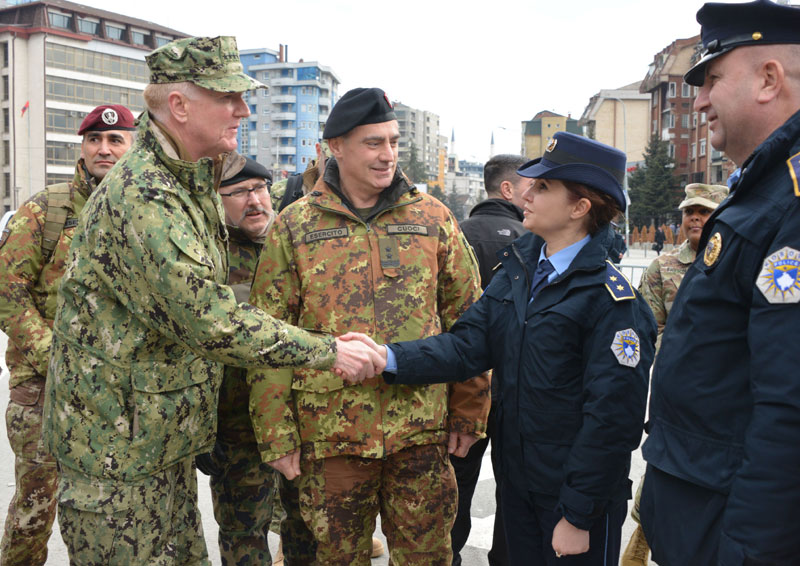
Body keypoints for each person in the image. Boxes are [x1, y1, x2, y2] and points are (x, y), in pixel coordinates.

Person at [40, 36, 381, 566]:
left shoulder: (188, 179)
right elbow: (210, 320)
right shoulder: (144, 194)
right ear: (179, 106)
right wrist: (327, 350)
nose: (243, 109)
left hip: (158, 441)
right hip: (117, 456)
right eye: (228, 98)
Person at [349, 131, 657, 565]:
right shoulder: (519, 271)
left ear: (580, 207)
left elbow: (611, 421)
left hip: (570, 501)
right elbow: (468, 346)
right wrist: (388, 357)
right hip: (517, 486)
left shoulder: (611, 302)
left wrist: (578, 515)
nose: (527, 193)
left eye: (545, 186)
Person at [247, 87, 490, 565]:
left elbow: (470, 319)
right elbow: (268, 334)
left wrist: (470, 409)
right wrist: (275, 435)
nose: (388, 155)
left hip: (421, 431)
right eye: (373, 143)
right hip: (331, 435)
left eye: (394, 142)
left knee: (427, 557)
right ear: (336, 146)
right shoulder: (295, 226)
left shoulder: (432, 219)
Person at [639, 1, 800, 564]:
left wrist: (749, 551)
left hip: (731, 529)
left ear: (769, 79)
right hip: (700, 509)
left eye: (711, 79)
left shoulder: (789, 202)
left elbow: (788, 405)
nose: (700, 99)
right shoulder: (760, 191)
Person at [0, 104, 135, 566]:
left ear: (132, 147)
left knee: (108, 513)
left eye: (115, 140)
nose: (104, 148)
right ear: (81, 147)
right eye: (94, 139)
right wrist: (54, 354)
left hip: (117, 392)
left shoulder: (144, 211)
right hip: (46, 389)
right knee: (35, 510)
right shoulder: (48, 209)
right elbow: (6, 291)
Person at [620, 183, 728, 566]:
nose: (695, 217)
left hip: (726, 399)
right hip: (673, 396)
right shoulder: (663, 267)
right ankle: (640, 544)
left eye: (705, 211)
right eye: (689, 212)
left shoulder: (738, 262)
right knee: (662, 474)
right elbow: (647, 330)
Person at [192, 155, 280, 565]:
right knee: (244, 534)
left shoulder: (294, 244)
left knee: (307, 530)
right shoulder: (206, 256)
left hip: (303, 420)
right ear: (217, 200)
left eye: (260, 188)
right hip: (237, 426)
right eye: (239, 192)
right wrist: (203, 430)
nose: (254, 200)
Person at [449, 153, 529, 566]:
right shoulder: (535, 238)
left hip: (463, 383)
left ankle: (451, 556)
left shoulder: (457, 234)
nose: (537, 196)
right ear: (507, 189)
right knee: (516, 486)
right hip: (520, 385)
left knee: (457, 481)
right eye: (531, 186)